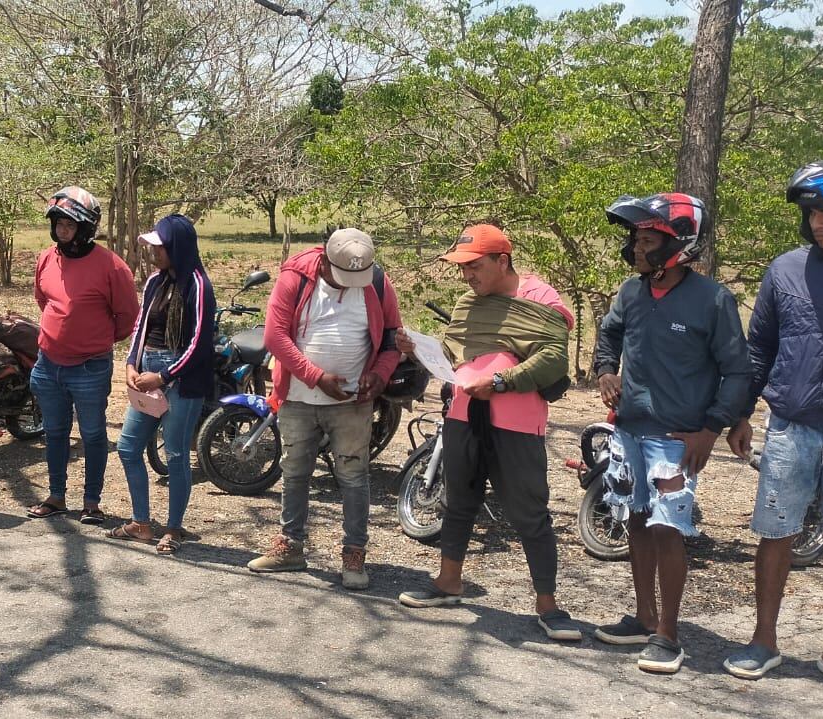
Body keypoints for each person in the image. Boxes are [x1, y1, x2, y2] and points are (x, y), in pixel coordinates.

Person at [394, 224, 584, 642]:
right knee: (458, 500)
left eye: (474, 267)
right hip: (464, 414)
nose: (467, 276)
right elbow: (454, 353)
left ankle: (548, 606)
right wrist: (419, 350)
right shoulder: (468, 304)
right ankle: (448, 583)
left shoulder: (540, 298)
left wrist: (499, 383)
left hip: (516, 422)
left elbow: (554, 359)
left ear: (502, 261)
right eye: (462, 269)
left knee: (529, 512)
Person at [592, 193, 752, 674]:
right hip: (630, 430)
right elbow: (609, 334)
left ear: (677, 243)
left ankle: (668, 633)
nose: (635, 248)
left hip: (679, 438)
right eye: (635, 239)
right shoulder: (631, 292)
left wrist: (711, 427)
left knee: (669, 527)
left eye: (645, 240)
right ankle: (643, 617)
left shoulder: (713, 299)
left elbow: (737, 371)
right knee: (637, 520)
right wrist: (605, 370)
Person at [723, 158, 823, 689]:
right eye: (813, 211)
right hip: (791, 427)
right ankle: (763, 641)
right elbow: (759, 350)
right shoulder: (784, 269)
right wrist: (741, 410)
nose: (819, 221)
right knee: (775, 534)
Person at [245, 228, 402, 588]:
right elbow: (275, 336)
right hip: (300, 397)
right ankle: (291, 546)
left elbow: (393, 337)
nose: (351, 284)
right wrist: (316, 376)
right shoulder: (295, 277)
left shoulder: (377, 282)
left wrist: (378, 375)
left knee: (353, 477)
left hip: (352, 404)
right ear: (325, 261)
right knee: (295, 471)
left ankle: (354, 554)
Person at [28, 186, 139, 524]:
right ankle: (56, 496)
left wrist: (95, 340)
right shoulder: (47, 258)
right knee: (56, 431)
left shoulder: (112, 267)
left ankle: (91, 501)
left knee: (92, 434)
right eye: (58, 223)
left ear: (87, 228)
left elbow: (127, 318)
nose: (63, 230)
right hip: (48, 363)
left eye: (70, 224)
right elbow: (43, 300)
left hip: (90, 367)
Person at [104, 214, 215, 554]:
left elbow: (198, 344)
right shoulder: (155, 280)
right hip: (147, 370)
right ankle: (141, 522)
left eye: (160, 246)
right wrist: (130, 364)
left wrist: (165, 376)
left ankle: (174, 527)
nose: (153, 251)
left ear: (176, 247)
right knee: (128, 447)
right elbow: (140, 327)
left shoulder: (198, 285)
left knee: (177, 454)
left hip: (178, 379)